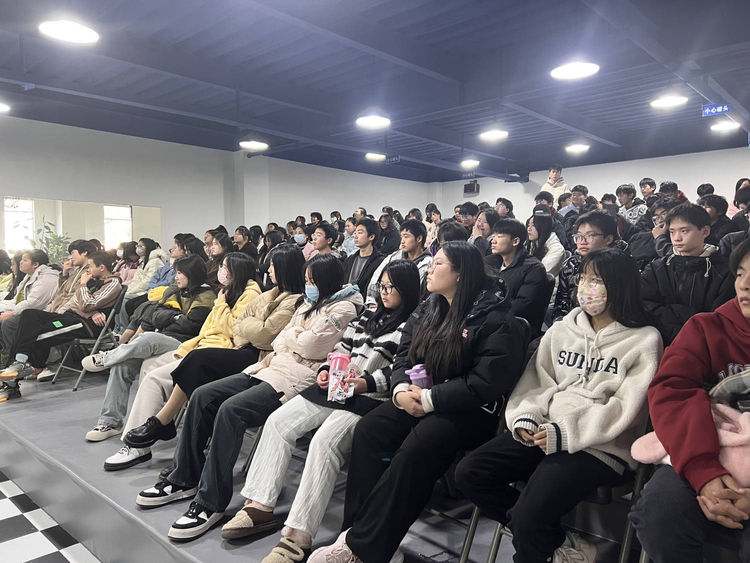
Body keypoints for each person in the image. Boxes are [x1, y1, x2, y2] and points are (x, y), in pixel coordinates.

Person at [308, 242, 525, 563]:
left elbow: (484, 385)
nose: (430, 270)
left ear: (460, 274)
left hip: (470, 410)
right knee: (371, 430)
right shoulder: (430, 307)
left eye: (438, 264)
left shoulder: (495, 317)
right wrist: (399, 390)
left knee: (416, 448)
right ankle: (358, 534)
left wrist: (430, 398)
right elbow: (403, 356)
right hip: (420, 396)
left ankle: (366, 548)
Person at [135, 254, 363, 541]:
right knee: (203, 395)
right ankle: (184, 478)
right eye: (306, 280)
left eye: (312, 281)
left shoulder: (343, 308)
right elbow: (278, 339)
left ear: (326, 281)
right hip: (268, 365)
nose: (308, 285)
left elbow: (313, 345)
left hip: (296, 378)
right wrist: (296, 337)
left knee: (231, 410)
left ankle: (211, 502)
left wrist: (294, 337)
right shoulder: (308, 303)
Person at [457, 247, 662, 563]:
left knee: (528, 518)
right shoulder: (562, 329)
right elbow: (537, 381)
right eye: (583, 278)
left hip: (598, 445)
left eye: (596, 280)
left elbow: (626, 408)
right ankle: (558, 542)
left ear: (620, 285)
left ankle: (535, 535)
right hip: (545, 430)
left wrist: (564, 432)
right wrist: (526, 417)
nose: (585, 287)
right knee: (471, 472)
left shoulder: (644, 339)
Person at [224, 260, 421, 560]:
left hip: (370, 397)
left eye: (390, 287)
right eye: (381, 285)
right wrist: (326, 370)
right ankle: (259, 505)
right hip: (337, 387)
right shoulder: (368, 314)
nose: (384, 292)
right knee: (278, 421)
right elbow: (341, 348)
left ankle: (297, 536)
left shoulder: (413, 325)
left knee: (324, 441)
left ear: (406, 289)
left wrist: (365, 383)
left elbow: (402, 371)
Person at [630, 239, 750, 562]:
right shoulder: (706, 328)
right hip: (707, 449)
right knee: (659, 515)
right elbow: (671, 391)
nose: (745, 285)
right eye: (740, 274)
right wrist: (704, 472)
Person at [100, 252, 261, 469]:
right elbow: (158, 313)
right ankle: (139, 436)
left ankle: (138, 442)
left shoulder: (247, 295)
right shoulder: (226, 292)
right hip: (198, 345)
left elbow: (232, 330)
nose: (220, 271)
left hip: (217, 351)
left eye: (224, 266)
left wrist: (220, 305)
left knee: (153, 371)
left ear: (236, 271)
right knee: (148, 366)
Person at [82, 255, 216, 443]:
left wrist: (170, 318)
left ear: (191, 274)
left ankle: (107, 358)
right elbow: (155, 315)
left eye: (180, 273)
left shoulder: (206, 295)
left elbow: (191, 325)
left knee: (147, 338)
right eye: (176, 272)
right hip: (164, 337)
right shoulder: (175, 291)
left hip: (186, 343)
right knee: (122, 365)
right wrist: (175, 317)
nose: (176, 277)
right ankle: (110, 422)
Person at [1, 253, 122, 390]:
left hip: (84, 324)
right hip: (69, 317)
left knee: (39, 334)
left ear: (101, 267)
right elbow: (75, 303)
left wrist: (83, 285)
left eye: (90, 266)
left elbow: (87, 303)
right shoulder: (92, 281)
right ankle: (18, 362)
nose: (88, 270)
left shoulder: (112, 283)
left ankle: (20, 373)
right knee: (29, 314)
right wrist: (92, 312)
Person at [641, 203, 735, 345]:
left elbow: (719, 318)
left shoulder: (723, 271)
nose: (677, 238)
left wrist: (672, 312)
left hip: (705, 344)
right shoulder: (657, 268)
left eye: (684, 231)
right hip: (660, 342)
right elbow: (644, 304)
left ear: (705, 231)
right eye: (672, 232)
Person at [553, 210, 621, 322]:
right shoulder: (570, 265)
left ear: (608, 239)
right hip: (574, 323)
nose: (582, 241)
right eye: (579, 236)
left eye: (590, 235)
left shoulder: (621, 265)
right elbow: (561, 305)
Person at [486, 219, 548, 335]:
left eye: (499, 236)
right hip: (490, 321)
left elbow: (521, 305)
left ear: (515, 241)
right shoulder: (490, 262)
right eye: (493, 236)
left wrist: (488, 314)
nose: (493, 241)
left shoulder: (534, 269)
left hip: (514, 328)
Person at [363, 219, 432, 307]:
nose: (402, 241)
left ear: (419, 238)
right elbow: (375, 279)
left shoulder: (429, 265)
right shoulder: (393, 258)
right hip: (384, 306)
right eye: (401, 237)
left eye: (406, 236)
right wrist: (372, 302)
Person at [115, 238, 168, 332]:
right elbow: (136, 279)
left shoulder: (156, 261)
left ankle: (123, 328)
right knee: (120, 296)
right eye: (137, 246)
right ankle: (117, 327)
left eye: (140, 246)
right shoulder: (142, 261)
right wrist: (130, 290)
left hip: (148, 291)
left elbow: (148, 281)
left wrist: (131, 291)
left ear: (148, 247)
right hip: (139, 290)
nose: (138, 248)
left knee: (125, 299)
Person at [0, 250, 59, 324]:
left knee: (9, 323)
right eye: (21, 259)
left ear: (35, 264)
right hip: (27, 312)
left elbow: (33, 303)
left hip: (43, 316)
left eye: (25, 260)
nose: (21, 262)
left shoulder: (46, 278)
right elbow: (16, 300)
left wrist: (12, 313)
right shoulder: (29, 276)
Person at [344, 218, 384, 298]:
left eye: (360, 233)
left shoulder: (380, 261)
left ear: (371, 236)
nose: (356, 236)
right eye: (355, 233)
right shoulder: (350, 259)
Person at [525, 206, 566, 276]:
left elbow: (539, 272)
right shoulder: (532, 244)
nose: (529, 229)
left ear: (543, 227)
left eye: (533, 225)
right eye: (528, 225)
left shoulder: (557, 249)